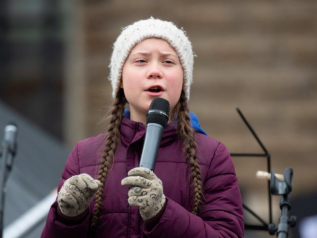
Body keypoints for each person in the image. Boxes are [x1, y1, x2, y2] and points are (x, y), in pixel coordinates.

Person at [41, 17, 244, 238]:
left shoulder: (212, 155)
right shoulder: (84, 155)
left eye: (168, 62)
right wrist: (67, 217)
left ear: (184, 79)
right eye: (141, 61)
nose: (155, 71)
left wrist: (163, 212)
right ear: (119, 79)